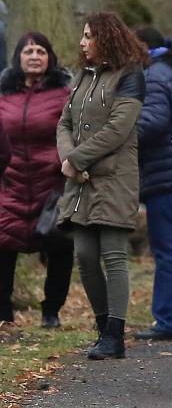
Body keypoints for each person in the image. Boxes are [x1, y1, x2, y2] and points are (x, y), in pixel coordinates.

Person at [56, 12, 148, 359]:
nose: (82, 43)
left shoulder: (131, 76)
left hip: (113, 179)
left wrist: (76, 160)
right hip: (79, 182)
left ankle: (115, 335)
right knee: (84, 256)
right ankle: (101, 327)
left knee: (113, 255)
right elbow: (64, 123)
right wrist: (70, 160)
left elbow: (118, 129)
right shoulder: (82, 76)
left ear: (106, 38)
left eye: (88, 36)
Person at [0, 32, 73, 327]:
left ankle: (51, 311)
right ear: (18, 58)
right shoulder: (4, 95)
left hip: (51, 184)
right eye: (28, 51)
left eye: (40, 51)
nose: (34, 56)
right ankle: (3, 312)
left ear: (50, 58)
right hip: (9, 182)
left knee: (60, 246)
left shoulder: (64, 94)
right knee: (3, 245)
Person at [132, 27, 172, 341]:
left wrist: (120, 136)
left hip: (165, 175)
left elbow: (153, 120)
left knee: (169, 248)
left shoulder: (154, 78)